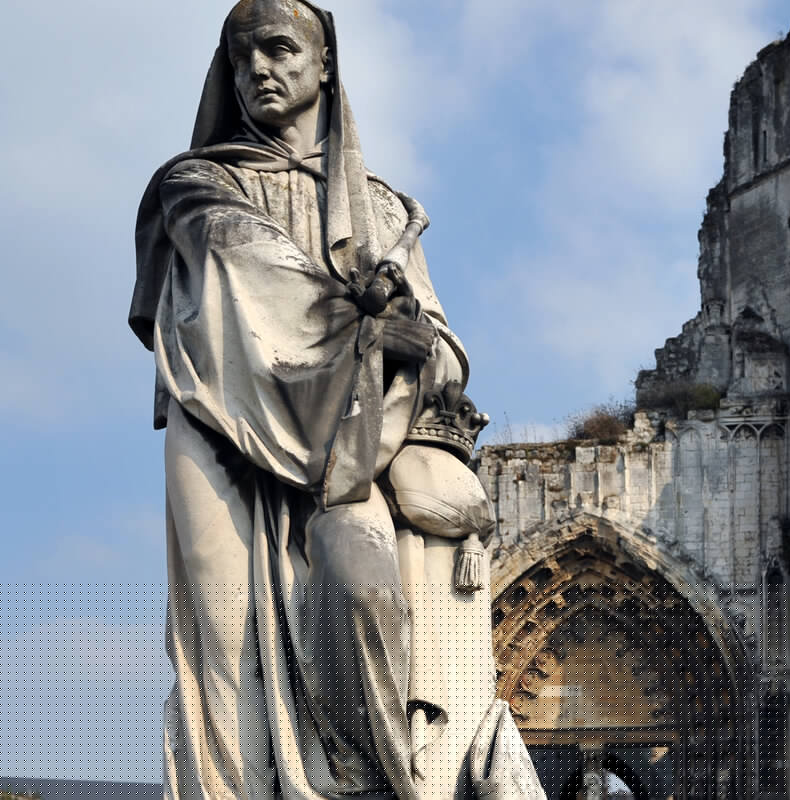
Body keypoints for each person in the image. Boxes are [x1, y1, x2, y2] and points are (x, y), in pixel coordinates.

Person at [130, 2, 543, 798]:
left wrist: (412, 334)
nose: (260, 69)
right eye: (242, 55)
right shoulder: (192, 185)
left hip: (353, 455)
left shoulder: (383, 211)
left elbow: (446, 352)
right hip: (222, 424)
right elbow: (250, 278)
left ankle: (366, 782)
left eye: (280, 48)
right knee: (225, 648)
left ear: (325, 64)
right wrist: (365, 321)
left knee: (361, 586)